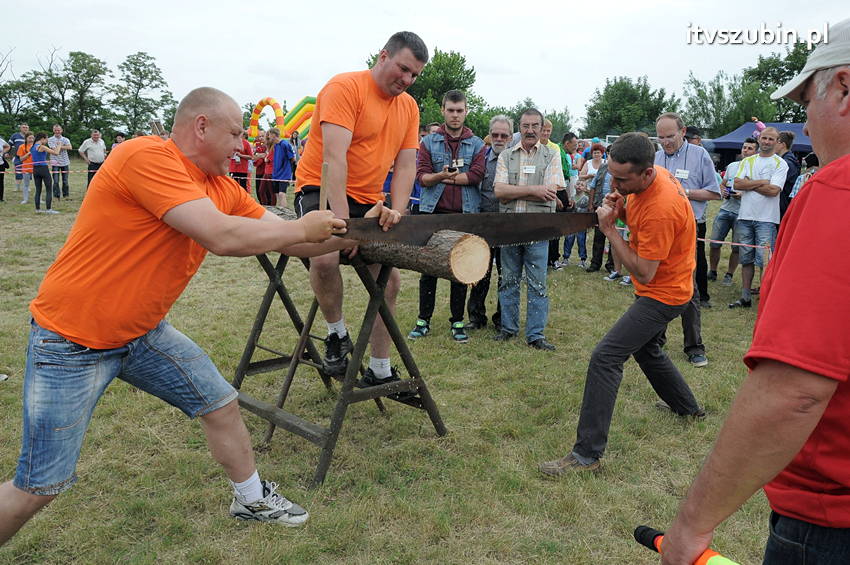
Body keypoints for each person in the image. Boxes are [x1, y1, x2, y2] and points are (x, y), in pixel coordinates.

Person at [0, 87, 364, 546]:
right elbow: (222, 236)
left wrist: (361, 230)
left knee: (219, 402)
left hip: (140, 334)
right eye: (235, 133)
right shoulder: (146, 156)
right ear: (201, 126)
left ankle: (249, 499)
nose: (243, 145)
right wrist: (302, 227)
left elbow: (291, 240)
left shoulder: (220, 187)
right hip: (71, 341)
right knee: (38, 488)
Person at [660, 23, 850, 564]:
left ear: (841, 88)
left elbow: (795, 390)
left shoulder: (838, 191)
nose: (805, 120)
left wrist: (692, 527)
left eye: (805, 100)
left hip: (831, 522)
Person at [539, 132, 704, 476]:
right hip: (667, 286)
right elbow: (638, 219)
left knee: (606, 357)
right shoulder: (648, 181)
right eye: (612, 175)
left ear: (646, 173)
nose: (614, 183)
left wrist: (610, 229)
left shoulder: (662, 207)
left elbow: (643, 273)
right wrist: (623, 205)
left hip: (664, 294)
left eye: (622, 179)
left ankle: (587, 455)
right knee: (647, 351)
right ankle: (688, 409)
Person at [293, 31, 428, 386]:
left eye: (414, 75)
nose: (407, 80)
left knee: (391, 279)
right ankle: (336, 335)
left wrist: (397, 211)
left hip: (368, 199)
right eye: (403, 69)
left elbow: (406, 166)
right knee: (324, 257)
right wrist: (345, 224)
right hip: (319, 188)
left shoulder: (409, 107)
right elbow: (335, 160)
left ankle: (379, 368)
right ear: (383, 56)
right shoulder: (345, 88)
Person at [408, 90, 486, 343]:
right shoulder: (428, 142)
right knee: (428, 270)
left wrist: (440, 177)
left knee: (460, 270)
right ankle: (423, 320)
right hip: (432, 214)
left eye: (459, 110)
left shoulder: (476, 145)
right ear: (442, 110)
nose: (455, 115)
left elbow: (476, 176)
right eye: (450, 110)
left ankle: (458, 322)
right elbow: (422, 177)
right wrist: (441, 177)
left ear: (466, 111)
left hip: (464, 215)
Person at [492, 108, 563, 351]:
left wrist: (515, 191)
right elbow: (499, 192)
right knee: (508, 280)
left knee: (538, 284)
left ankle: (535, 335)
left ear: (542, 128)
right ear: (519, 128)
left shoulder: (551, 155)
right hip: (510, 228)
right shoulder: (506, 155)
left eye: (535, 126)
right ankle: (508, 329)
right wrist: (534, 191)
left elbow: (551, 191)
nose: (530, 130)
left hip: (538, 229)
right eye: (525, 126)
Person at [655, 112, 720, 368]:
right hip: (660, 229)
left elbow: (714, 192)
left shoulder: (699, 155)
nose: (666, 142)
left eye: (670, 136)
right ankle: (655, 339)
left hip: (689, 228)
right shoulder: (657, 157)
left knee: (688, 287)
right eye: (661, 137)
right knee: (657, 284)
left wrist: (684, 192)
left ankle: (694, 346)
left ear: (683, 132)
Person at [728, 127, 788, 309]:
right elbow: (737, 183)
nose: (767, 142)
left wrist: (749, 184)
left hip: (767, 219)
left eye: (771, 139)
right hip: (745, 216)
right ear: (759, 139)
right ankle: (745, 297)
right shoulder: (749, 160)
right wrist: (762, 181)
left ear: (777, 142)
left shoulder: (780, 164)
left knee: (765, 262)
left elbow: (774, 191)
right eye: (764, 138)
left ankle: (765, 298)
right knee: (746, 259)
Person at [466, 115, 512, 331]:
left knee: (507, 273)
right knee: (479, 272)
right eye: (495, 134)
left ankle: (503, 319)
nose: (499, 138)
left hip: (508, 224)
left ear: (510, 137)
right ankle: (476, 318)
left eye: (503, 135)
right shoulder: (480, 160)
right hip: (483, 222)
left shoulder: (516, 161)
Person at [708, 138, 758, 286]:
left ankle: (729, 274)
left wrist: (743, 195)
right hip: (725, 209)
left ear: (755, 152)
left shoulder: (756, 169)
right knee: (714, 243)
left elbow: (758, 190)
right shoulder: (732, 166)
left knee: (736, 247)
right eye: (744, 147)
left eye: (750, 148)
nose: (746, 151)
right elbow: (723, 183)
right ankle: (713, 271)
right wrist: (723, 190)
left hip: (742, 214)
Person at [30, 132, 62, 214]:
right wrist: (59, 144)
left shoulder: (33, 147)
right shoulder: (42, 147)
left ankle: (37, 209)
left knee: (38, 190)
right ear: (42, 139)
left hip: (35, 169)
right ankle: (49, 209)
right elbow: (56, 153)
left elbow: (38, 158)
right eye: (46, 139)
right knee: (49, 189)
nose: (47, 140)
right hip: (43, 169)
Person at [776, 130, 801, 219]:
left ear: (782, 144)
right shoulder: (788, 160)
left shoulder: (787, 163)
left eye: (776, 142)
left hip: (782, 207)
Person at [268, 128, 295, 208]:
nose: (268, 136)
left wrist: (287, 169)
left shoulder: (285, 144)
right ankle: (280, 211)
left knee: (281, 193)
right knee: (276, 194)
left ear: (273, 135)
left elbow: (292, 159)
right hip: (276, 174)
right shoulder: (275, 145)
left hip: (284, 174)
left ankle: (285, 212)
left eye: (269, 134)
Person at [48, 125, 72, 200]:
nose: (57, 132)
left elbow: (70, 147)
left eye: (59, 130)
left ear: (61, 131)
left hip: (65, 162)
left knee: (65, 181)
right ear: (53, 130)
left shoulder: (65, 139)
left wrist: (59, 146)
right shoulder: (50, 139)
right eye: (55, 130)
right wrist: (63, 146)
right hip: (55, 162)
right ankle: (56, 195)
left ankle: (65, 195)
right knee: (55, 180)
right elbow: (54, 150)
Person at [10, 123, 29, 195]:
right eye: (23, 127)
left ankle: (27, 186)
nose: (25, 129)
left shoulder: (30, 136)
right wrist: (7, 152)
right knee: (18, 171)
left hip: (28, 157)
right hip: (18, 157)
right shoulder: (15, 136)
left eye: (26, 127)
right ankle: (17, 187)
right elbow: (9, 145)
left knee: (27, 172)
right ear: (20, 128)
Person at [15, 133, 35, 204]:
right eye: (30, 138)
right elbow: (21, 159)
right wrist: (29, 153)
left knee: (38, 185)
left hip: (36, 168)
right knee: (26, 184)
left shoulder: (37, 146)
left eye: (33, 138)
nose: (31, 140)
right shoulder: (22, 147)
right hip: (26, 168)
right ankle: (25, 200)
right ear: (26, 139)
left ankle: (39, 199)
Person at [252, 132, 267, 198]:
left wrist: (259, 155)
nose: (261, 138)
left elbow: (266, 156)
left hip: (266, 171)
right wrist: (260, 155)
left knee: (265, 191)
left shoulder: (268, 146)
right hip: (258, 170)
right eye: (260, 136)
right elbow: (253, 157)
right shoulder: (258, 146)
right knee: (258, 190)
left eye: (262, 136)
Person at [0, 136, 9, 202]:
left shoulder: (0, 140)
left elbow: (8, 146)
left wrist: (2, 153)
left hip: (1, 164)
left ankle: (1, 198)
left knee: (0, 181)